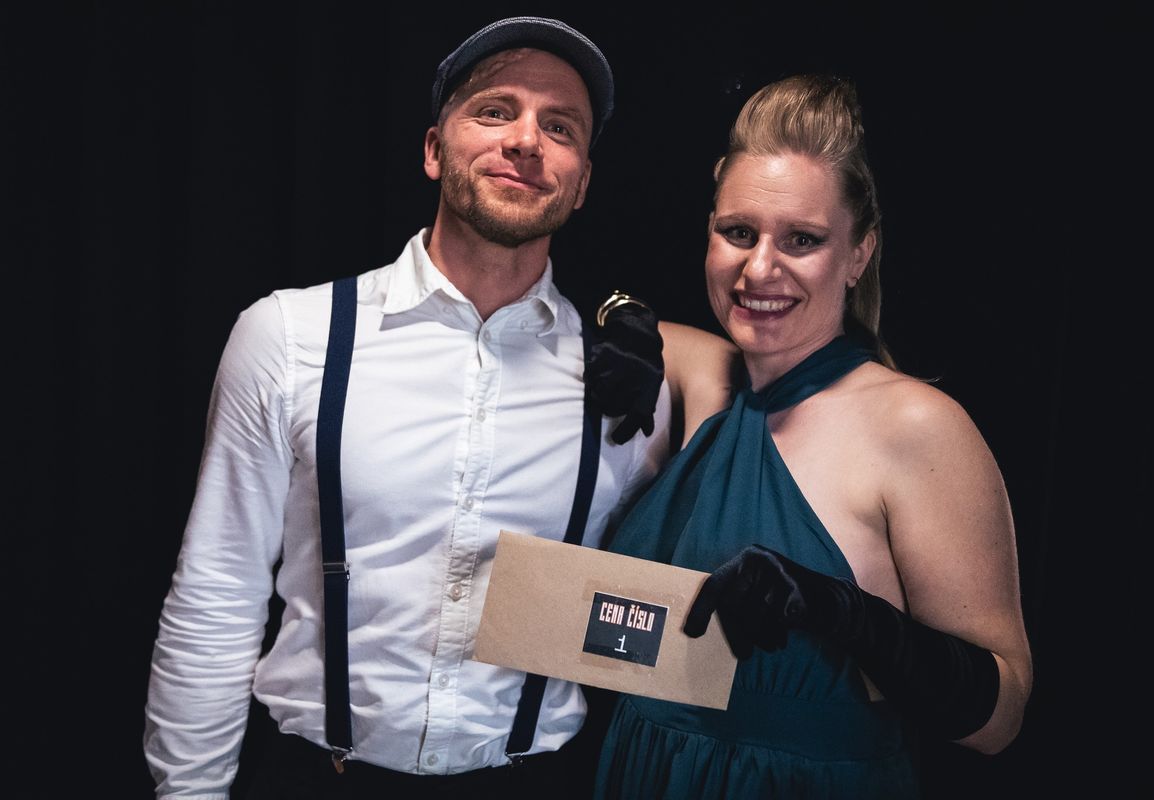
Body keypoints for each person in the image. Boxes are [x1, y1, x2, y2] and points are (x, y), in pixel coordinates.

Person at [143, 16, 735, 799]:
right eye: (495, 111)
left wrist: (654, 336)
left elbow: (652, 623)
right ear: (433, 150)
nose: (526, 141)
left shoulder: (629, 383)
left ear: (583, 181)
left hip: (533, 781)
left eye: (560, 127)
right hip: (317, 776)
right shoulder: (291, 336)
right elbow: (218, 592)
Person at [593, 74, 1034, 799]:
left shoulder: (915, 426)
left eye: (802, 240)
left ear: (858, 254)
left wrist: (845, 614)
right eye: (738, 233)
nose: (759, 268)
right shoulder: (711, 378)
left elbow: (1002, 717)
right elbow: (588, 312)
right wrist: (623, 317)